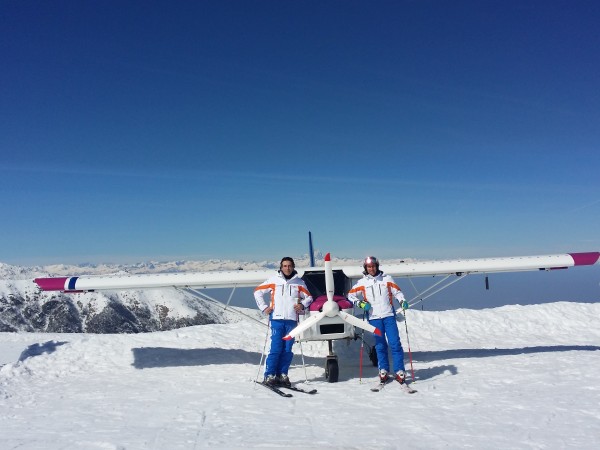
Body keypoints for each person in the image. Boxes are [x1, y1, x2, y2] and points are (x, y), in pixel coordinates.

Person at [347, 256, 409, 384]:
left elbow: (397, 292)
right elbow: (350, 295)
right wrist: (361, 304)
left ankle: (399, 370)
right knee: (380, 345)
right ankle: (383, 369)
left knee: (395, 343)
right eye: (369, 267)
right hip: (374, 318)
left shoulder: (387, 279)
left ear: (377, 266)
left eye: (373, 266)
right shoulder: (363, 283)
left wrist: (402, 301)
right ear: (366, 268)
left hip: (388, 316)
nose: (371, 269)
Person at [254, 257, 313, 387]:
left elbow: (309, 297)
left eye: (289, 265)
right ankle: (269, 375)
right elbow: (257, 292)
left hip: (291, 320)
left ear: (293, 267)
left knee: (287, 350)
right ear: (281, 267)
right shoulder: (273, 280)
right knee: (275, 348)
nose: (287, 268)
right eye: (285, 266)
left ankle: (282, 374)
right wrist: (264, 307)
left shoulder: (299, 282)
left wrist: (302, 305)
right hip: (276, 319)